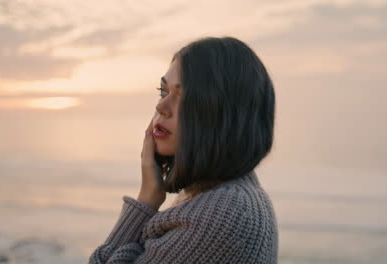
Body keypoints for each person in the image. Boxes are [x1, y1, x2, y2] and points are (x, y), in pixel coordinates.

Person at [88, 36, 277, 264]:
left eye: (183, 97)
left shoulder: (219, 216)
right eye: (163, 91)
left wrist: (146, 200)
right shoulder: (217, 195)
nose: (161, 107)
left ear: (224, 115)